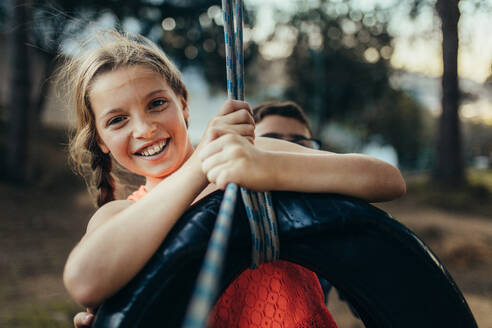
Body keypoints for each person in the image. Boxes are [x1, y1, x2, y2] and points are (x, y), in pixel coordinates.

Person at [66, 30, 405, 328]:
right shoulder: (118, 218)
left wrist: (267, 169)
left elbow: (388, 180)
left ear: (183, 104)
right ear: (100, 141)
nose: (144, 128)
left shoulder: (256, 153)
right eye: (117, 120)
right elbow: (84, 281)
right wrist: (199, 167)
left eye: (156, 103)